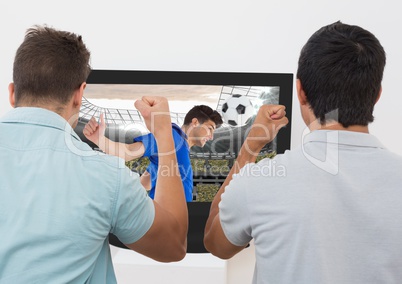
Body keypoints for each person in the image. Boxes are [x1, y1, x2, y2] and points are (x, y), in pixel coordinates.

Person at [204, 21, 402, 283]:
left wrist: (249, 149)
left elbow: (216, 243)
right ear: (376, 94)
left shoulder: (260, 180)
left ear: (300, 92)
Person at [0, 25, 188, 284]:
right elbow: (174, 244)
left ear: (12, 93)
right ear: (79, 95)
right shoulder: (107, 175)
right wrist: (165, 135)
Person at [84, 105, 223, 201]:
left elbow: (145, 183)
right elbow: (129, 152)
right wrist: (100, 140)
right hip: (166, 225)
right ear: (195, 122)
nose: (211, 136)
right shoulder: (171, 137)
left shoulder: (180, 146)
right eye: (210, 128)